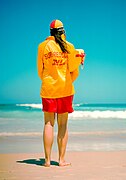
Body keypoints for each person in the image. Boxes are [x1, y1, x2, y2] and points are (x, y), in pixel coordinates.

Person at [37, 19, 85, 167]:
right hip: (65, 90)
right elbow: (73, 71)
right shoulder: (70, 47)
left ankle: (46, 161)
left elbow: (40, 70)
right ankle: (61, 160)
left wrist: (48, 80)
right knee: (62, 125)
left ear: (50, 32)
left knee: (48, 123)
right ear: (63, 31)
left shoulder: (42, 46)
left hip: (48, 89)